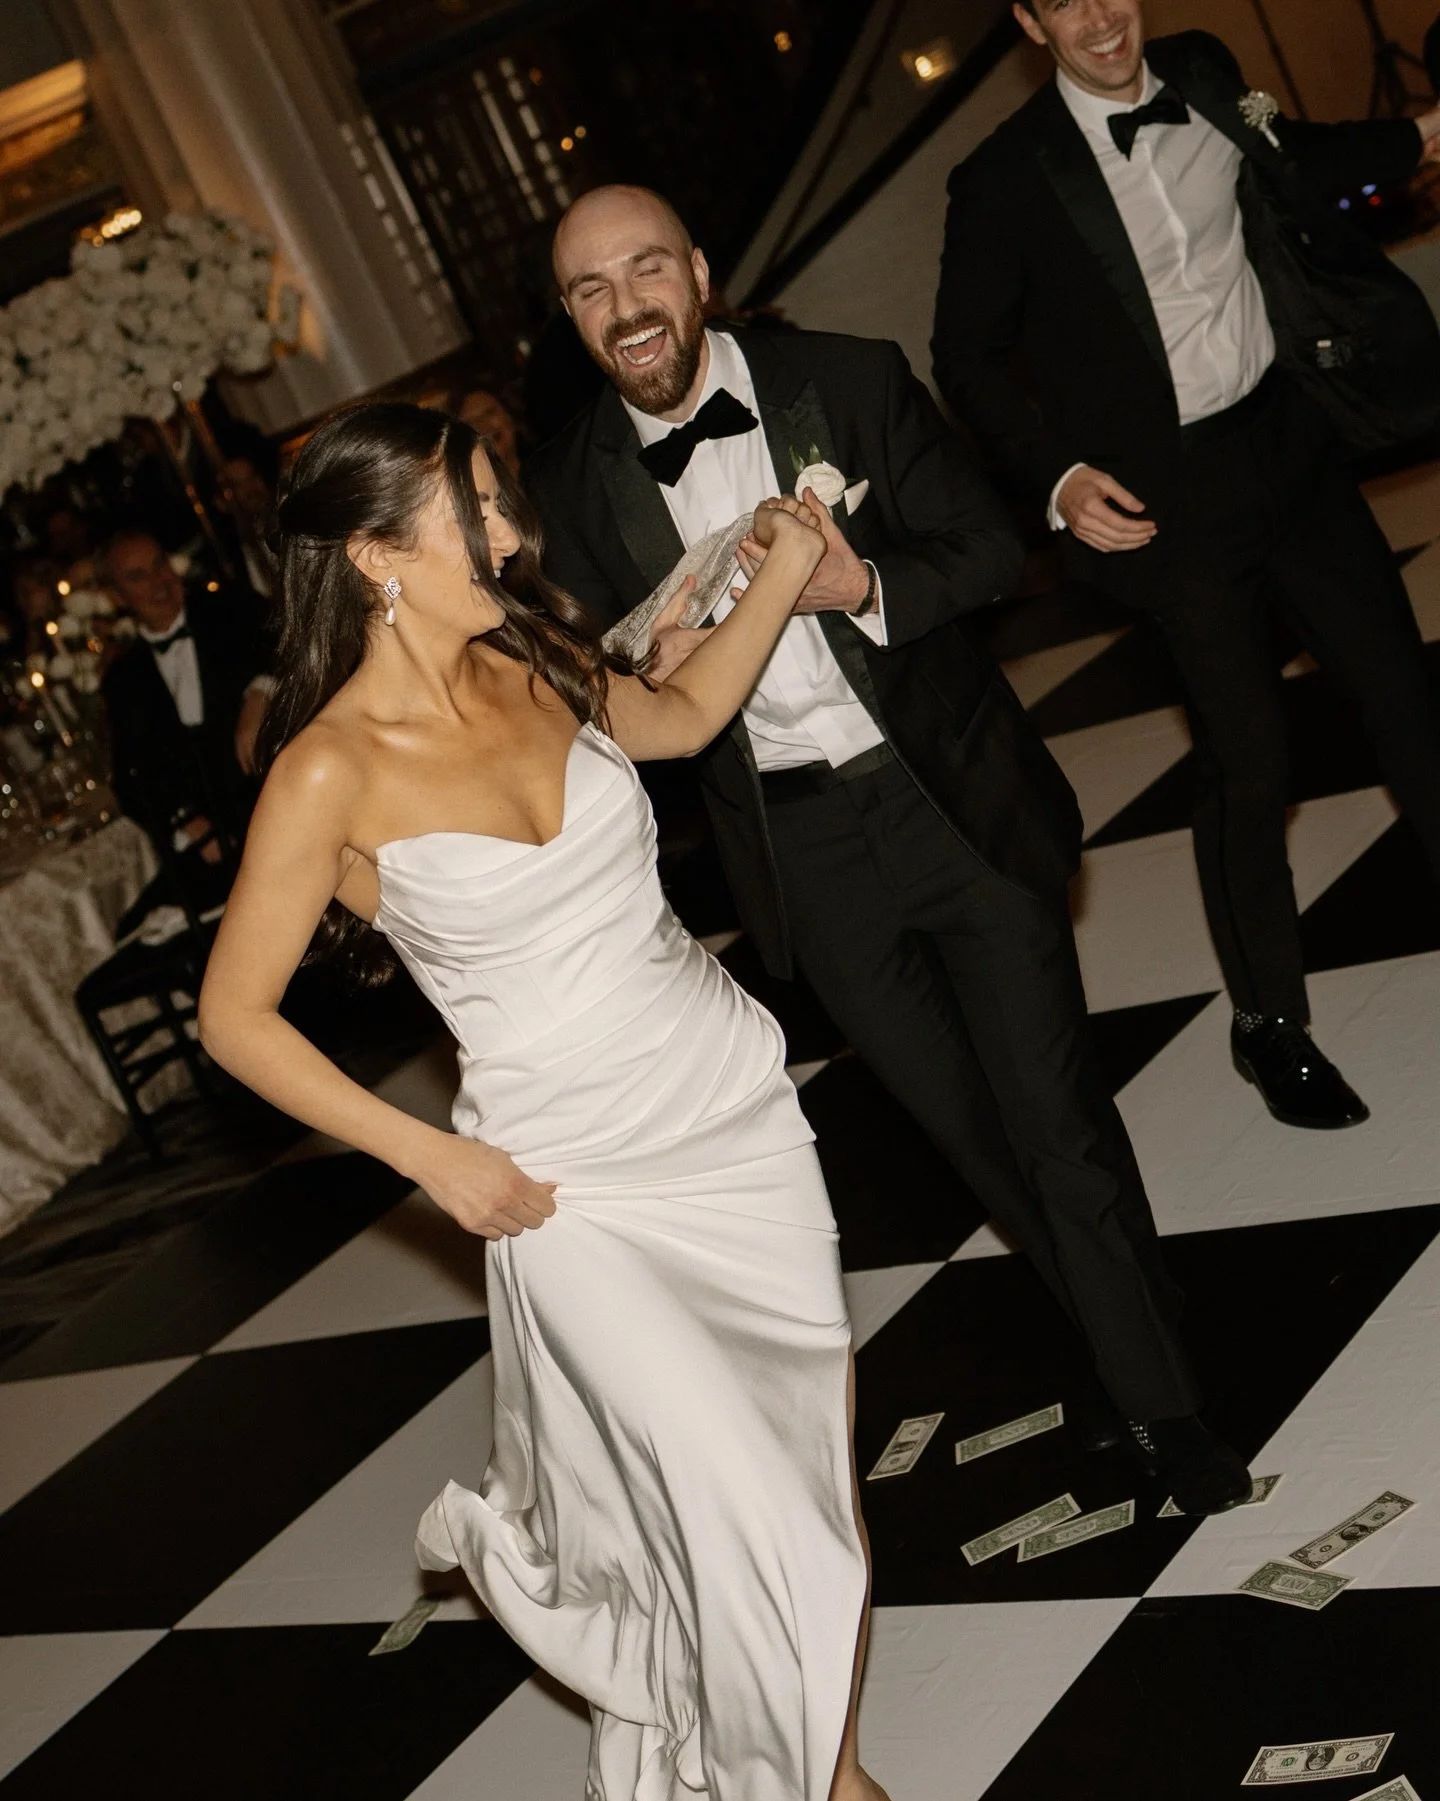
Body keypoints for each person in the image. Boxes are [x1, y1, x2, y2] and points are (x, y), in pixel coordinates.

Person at [196, 402, 890, 1801]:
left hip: (728, 1116)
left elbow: (689, 714)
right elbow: (231, 1019)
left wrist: (776, 563)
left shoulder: (539, 657)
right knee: (742, 1502)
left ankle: (820, 1757)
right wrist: (428, 1161)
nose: (514, 535)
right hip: (570, 1184)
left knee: (804, 1484)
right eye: (479, 515)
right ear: (379, 553)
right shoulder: (328, 769)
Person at [525, 183, 1250, 1514]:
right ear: (570, 316)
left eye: (645, 270)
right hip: (802, 857)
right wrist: (635, 667)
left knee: (1055, 1120)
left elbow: (985, 551)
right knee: (974, 1140)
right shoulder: (566, 484)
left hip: (947, 800)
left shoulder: (844, 380)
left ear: (697, 269)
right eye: (590, 288)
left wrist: (861, 585)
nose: (627, 305)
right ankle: (1126, 1328)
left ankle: (1168, 1408)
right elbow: (576, 696)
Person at [934, 0, 1440, 1130]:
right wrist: (1058, 479)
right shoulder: (1006, 177)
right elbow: (962, 357)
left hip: (1289, 447)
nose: (1098, 17)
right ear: (1029, 20)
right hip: (1173, 504)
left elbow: (1290, 150)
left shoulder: (1205, 70)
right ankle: (1269, 1025)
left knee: (1407, 696)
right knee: (1251, 759)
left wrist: (1419, 132)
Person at [100, 527, 270, 876]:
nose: (159, 581)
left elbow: (292, 641)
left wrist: (261, 690)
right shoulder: (124, 679)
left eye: (160, 564)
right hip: (211, 851)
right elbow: (130, 782)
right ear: (118, 597)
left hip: (277, 804)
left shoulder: (229, 609)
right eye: (138, 576)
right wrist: (184, 821)